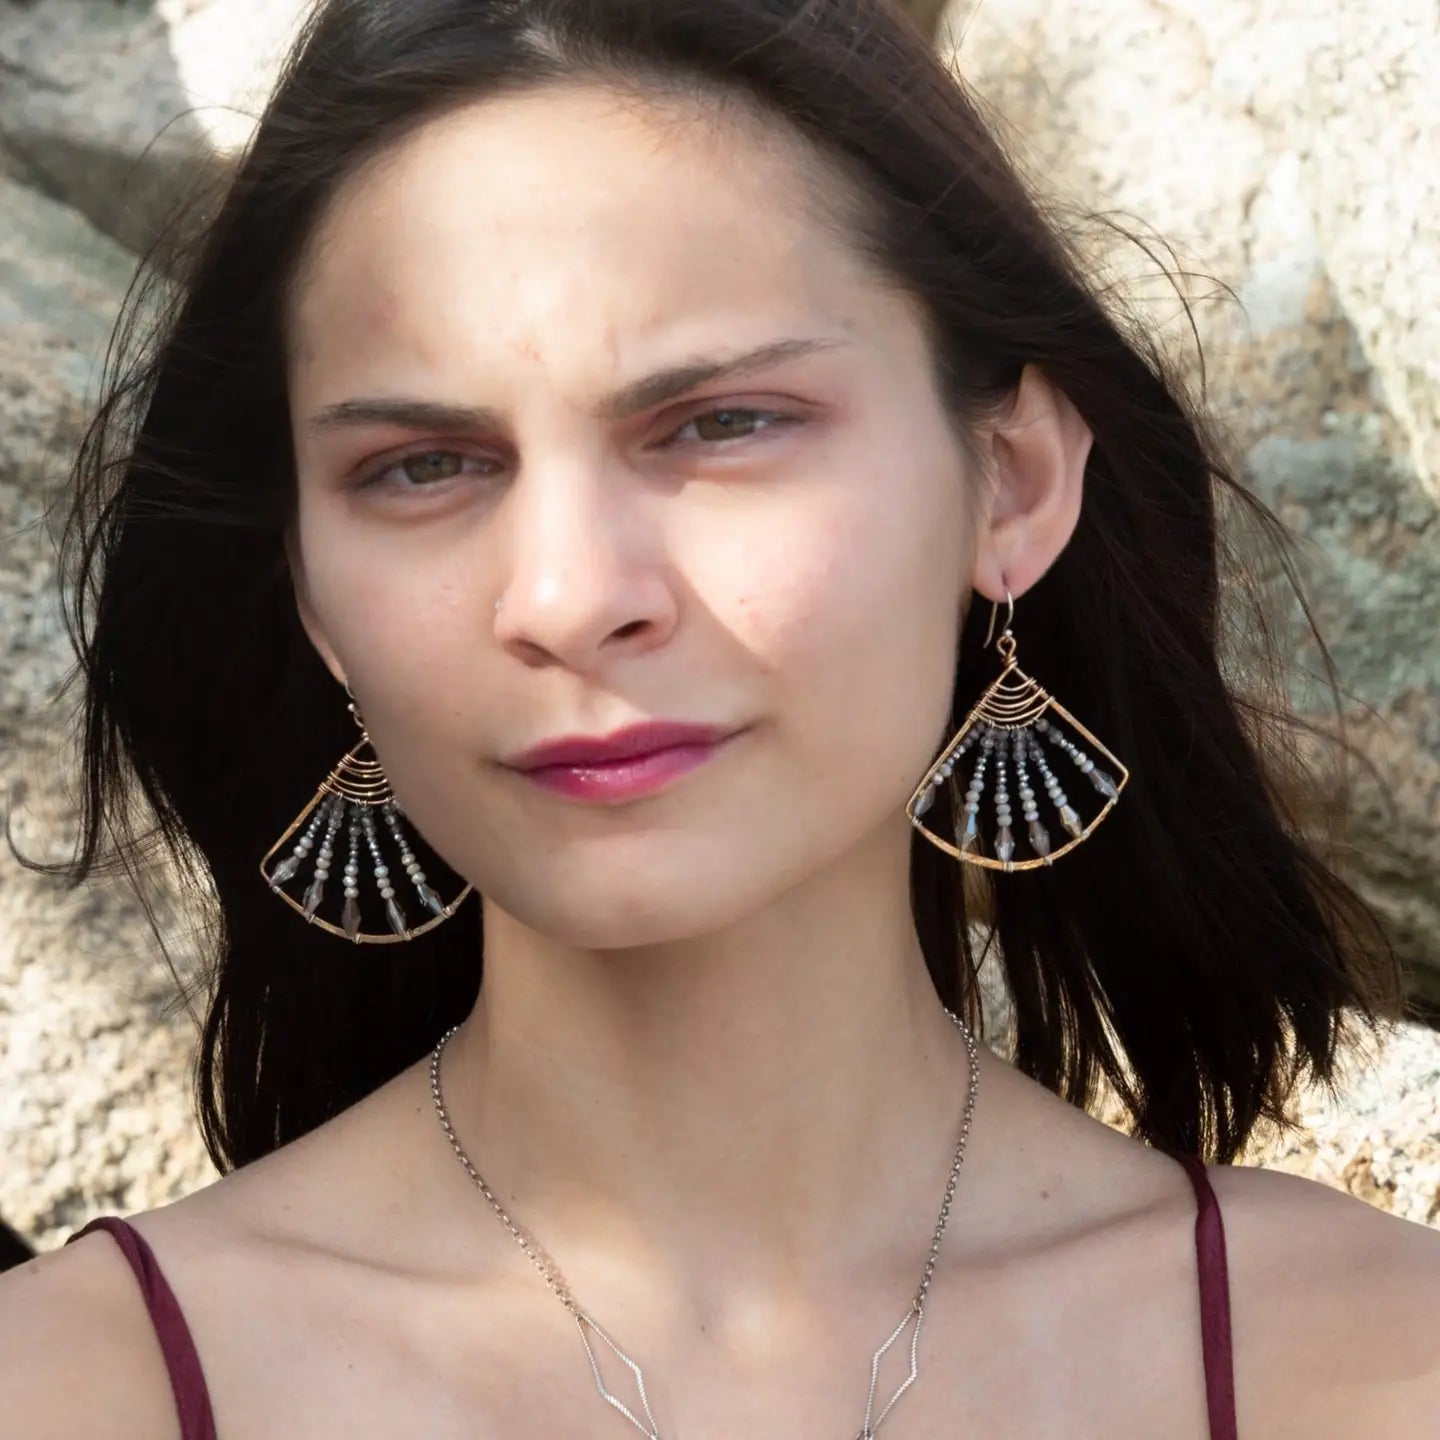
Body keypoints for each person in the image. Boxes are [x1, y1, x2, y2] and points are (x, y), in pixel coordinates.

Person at [3, 0, 1438, 1434]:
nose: (567, 596)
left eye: (721, 424)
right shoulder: (69, 1388)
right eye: (425, 463)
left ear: (1010, 482)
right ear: (309, 589)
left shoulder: (1373, 1361)